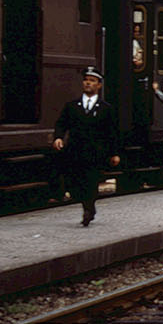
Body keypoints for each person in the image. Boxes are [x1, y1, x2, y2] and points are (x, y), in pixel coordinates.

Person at [51, 67, 120, 227]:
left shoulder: (106, 108)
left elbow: (112, 132)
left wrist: (114, 153)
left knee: (91, 181)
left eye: (92, 80)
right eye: (86, 80)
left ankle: (89, 209)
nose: (88, 83)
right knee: (75, 182)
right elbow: (61, 123)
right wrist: (59, 137)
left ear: (99, 85)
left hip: (96, 152)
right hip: (75, 150)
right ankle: (87, 206)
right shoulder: (72, 106)